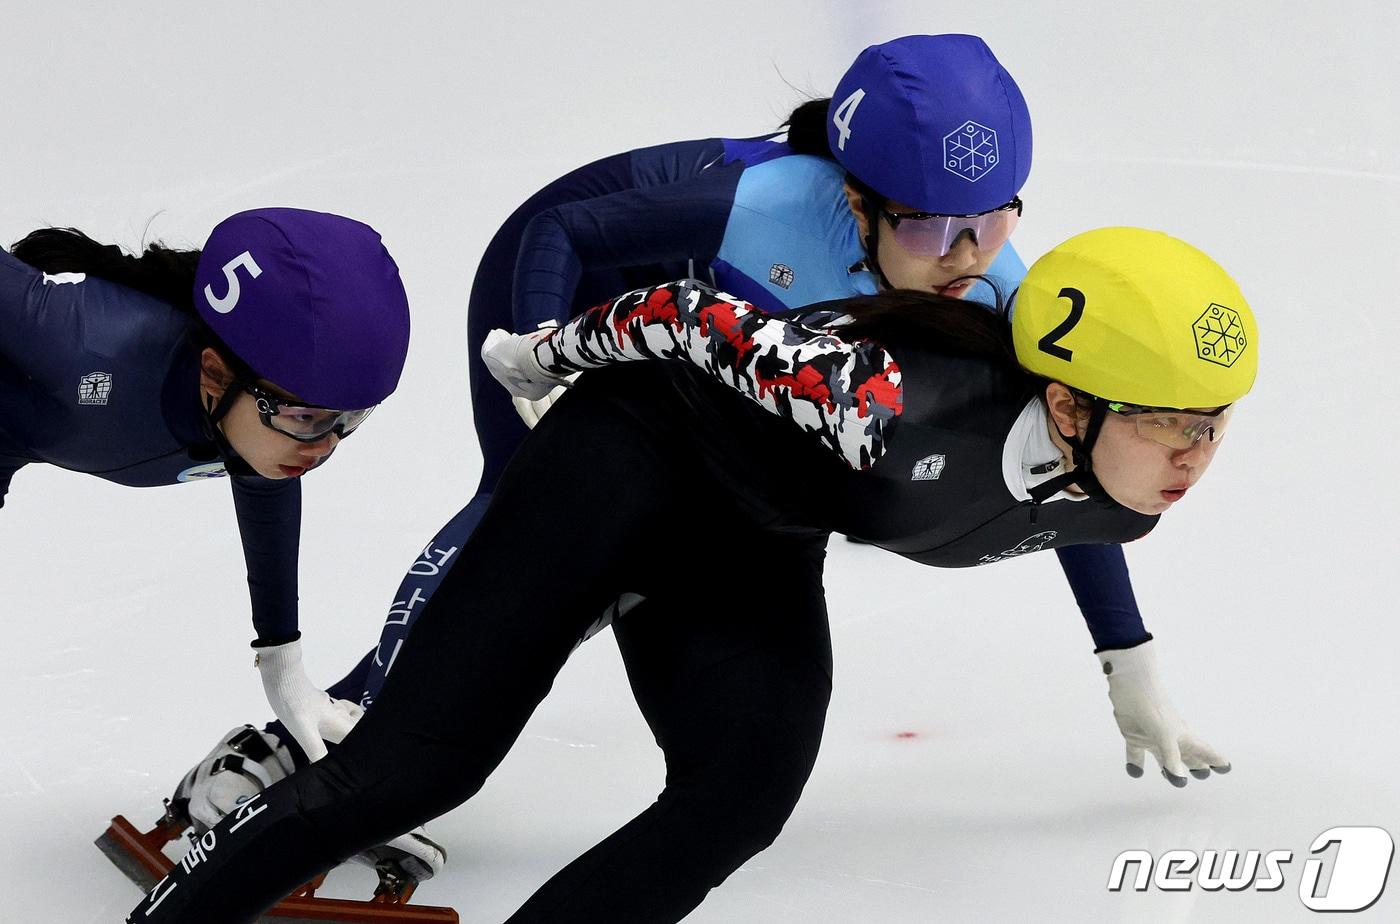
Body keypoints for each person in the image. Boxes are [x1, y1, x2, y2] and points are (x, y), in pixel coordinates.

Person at [173, 35, 1165, 849]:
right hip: (575, 288)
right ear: (856, 201)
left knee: (617, 564)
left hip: (694, 351)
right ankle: (308, 750)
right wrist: (543, 354)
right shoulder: (767, 205)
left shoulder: (1000, 294)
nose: (963, 257)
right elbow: (563, 231)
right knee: (524, 515)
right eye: (929, 231)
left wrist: (1127, 655)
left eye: (991, 222)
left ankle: (357, 728)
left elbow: (1063, 466)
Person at [126, 226, 1257, 924]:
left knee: (740, 798)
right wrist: (540, 355)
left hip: (751, 537)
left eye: (1211, 426)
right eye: (1170, 425)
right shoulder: (884, 399)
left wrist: (1128, 658)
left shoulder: (1123, 491)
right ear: (1066, 403)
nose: (1193, 457)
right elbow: (688, 315)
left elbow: (1067, 519)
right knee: (416, 769)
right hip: (625, 462)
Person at [0, 207, 439, 873]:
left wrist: (283, 663)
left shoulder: (253, 427)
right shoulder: (78, 341)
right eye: (306, 417)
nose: (324, 447)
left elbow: (265, 486)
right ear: (213, 375)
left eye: (350, 419)